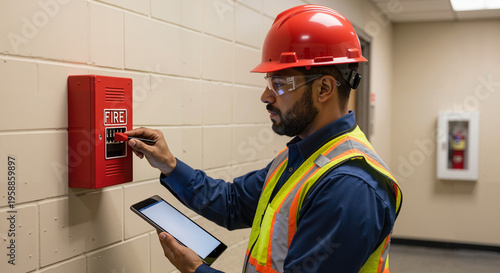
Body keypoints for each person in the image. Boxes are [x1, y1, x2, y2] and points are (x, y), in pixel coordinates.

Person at [126, 5, 402, 273]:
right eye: (269, 82)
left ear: (324, 88)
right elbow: (233, 203)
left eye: (279, 84)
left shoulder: (350, 187)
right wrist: (169, 165)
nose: (266, 97)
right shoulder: (298, 157)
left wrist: (196, 270)